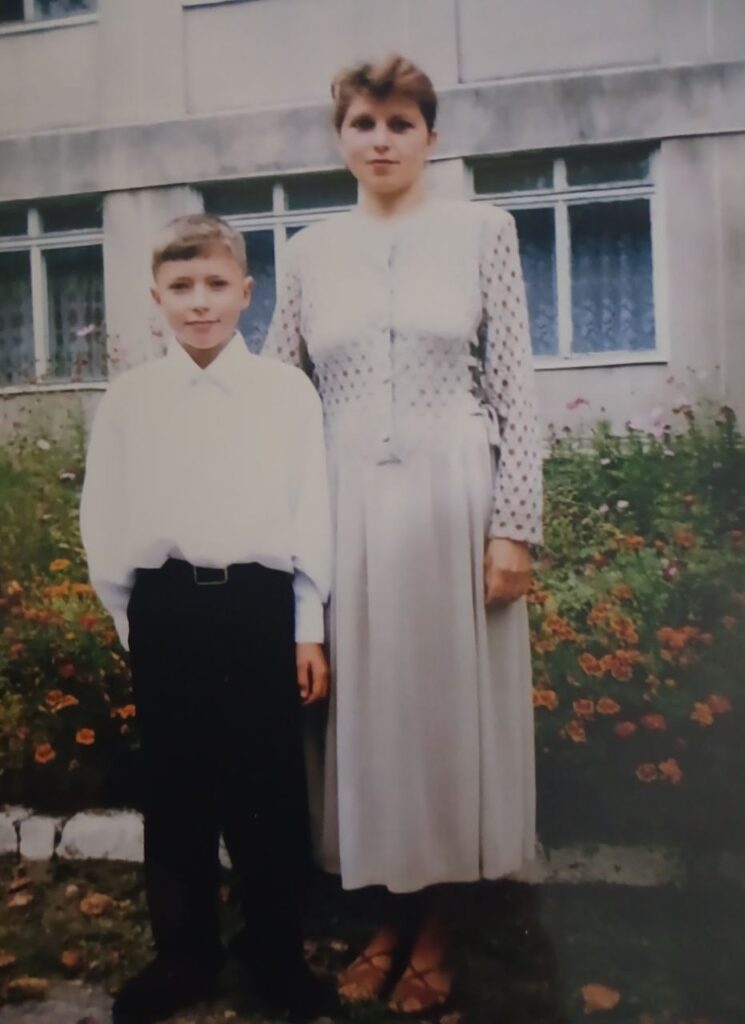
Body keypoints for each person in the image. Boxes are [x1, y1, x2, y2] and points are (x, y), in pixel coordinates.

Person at [262, 56, 543, 1015]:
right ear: (340, 135)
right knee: (371, 718)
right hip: (346, 504)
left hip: (455, 496)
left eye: (400, 124)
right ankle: (387, 917)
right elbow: (279, 391)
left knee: (446, 715)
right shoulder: (308, 252)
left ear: (431, 136)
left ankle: (439, 931)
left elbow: (516, 384)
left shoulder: (483, 232)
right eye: (363, 123)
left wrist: (514, 527)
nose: (380, 141)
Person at [80, 213, 335, 1024]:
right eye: (181, 287)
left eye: (217, 285)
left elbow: (310, 509)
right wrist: (133, 620)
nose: (200, 303)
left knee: (269, 787)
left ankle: (274, 949)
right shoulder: (131, 401)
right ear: (154, 296)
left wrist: (307, 624)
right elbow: (104, 515)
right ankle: (184, 953)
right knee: (176, 787)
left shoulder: (284, 395)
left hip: (258, 606)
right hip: (168, 608)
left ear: (247, 293)